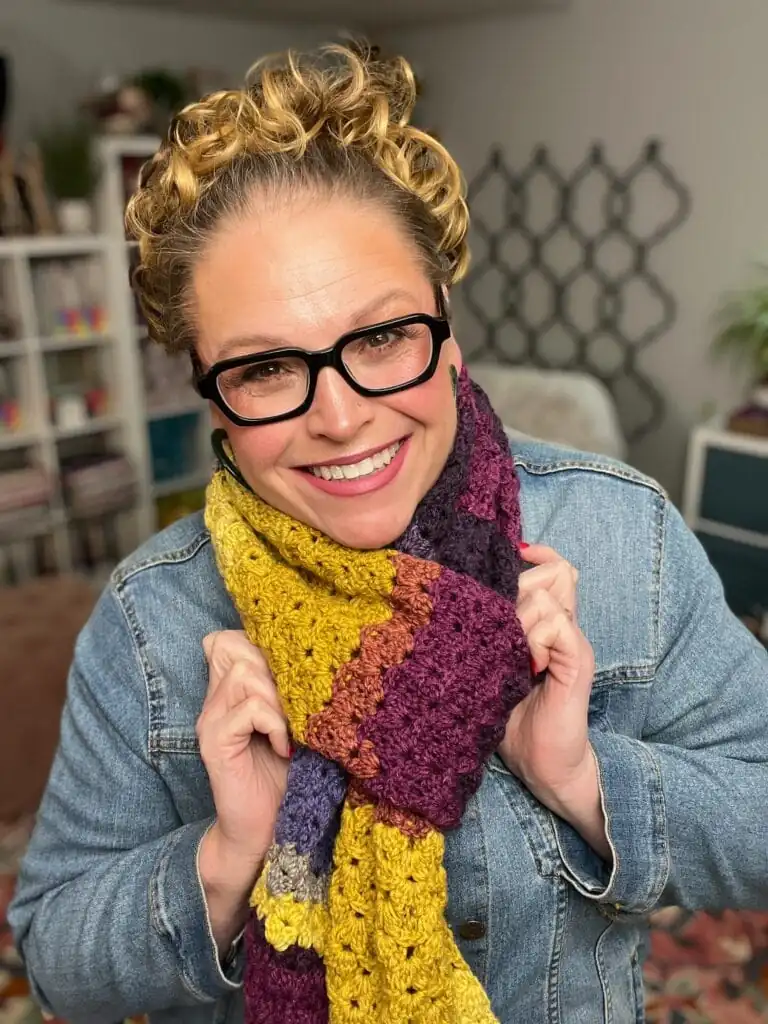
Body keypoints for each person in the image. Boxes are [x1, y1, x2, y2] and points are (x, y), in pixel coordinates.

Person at [9, 43, 768, 1024]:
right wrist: (231, 855)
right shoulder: (151, 618)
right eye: (267, 369)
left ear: (445, 329)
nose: (339, 416)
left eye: (378, 338)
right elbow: (60, 955)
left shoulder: (624, 535)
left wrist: (580, 776)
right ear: (213, 397)